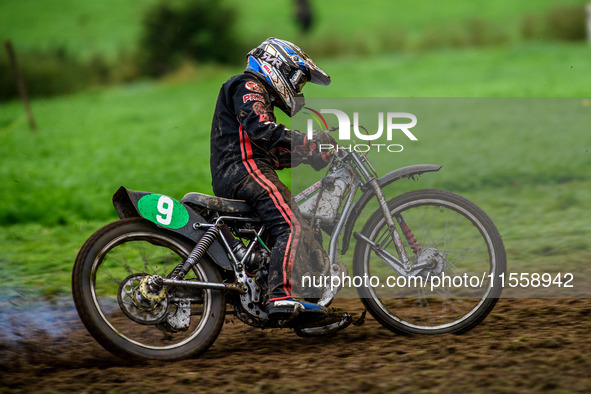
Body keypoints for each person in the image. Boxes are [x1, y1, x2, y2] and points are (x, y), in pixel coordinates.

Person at [209, 37, 336, 320]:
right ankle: (281, 297)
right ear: (278, 66)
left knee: (301, 225)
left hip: (245, 169)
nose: (298, 89)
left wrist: (312, 154)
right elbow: (264, 131)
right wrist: (308, 142)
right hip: (245, 171)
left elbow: (270, 152)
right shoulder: (248, 85)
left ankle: (289, 293)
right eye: (298, 81)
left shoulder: (254, 92)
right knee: (290, 225)